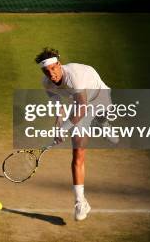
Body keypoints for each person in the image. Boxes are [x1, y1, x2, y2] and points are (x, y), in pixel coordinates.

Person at [34, 47, 119, 221]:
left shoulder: (75, 77)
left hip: (98, 96)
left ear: (59, 64)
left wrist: (63, 129)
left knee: (102, 114)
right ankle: (81, 202)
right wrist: (58, 122)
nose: (51, 74)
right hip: (79, 102)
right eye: (46, 71)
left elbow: (82, 108)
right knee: (78, 152)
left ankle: (102, 123)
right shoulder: (46, 82)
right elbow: (57, 103)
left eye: (53, 69)